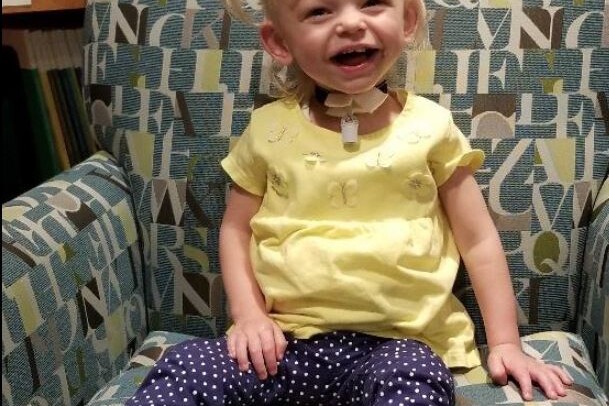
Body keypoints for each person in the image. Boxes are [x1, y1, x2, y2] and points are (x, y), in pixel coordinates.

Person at [127, 0, 573, 404]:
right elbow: (235, 229)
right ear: (280, 42)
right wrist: (248, 316)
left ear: (408, 20)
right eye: (320, 11)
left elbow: (478, 241)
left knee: (414, 385)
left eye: (373, 3)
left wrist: (506, 344)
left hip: (398, 348)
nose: (351, 24)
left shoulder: (431, 128)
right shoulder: (267, 130)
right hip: (280, 347)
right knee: (187, 366)